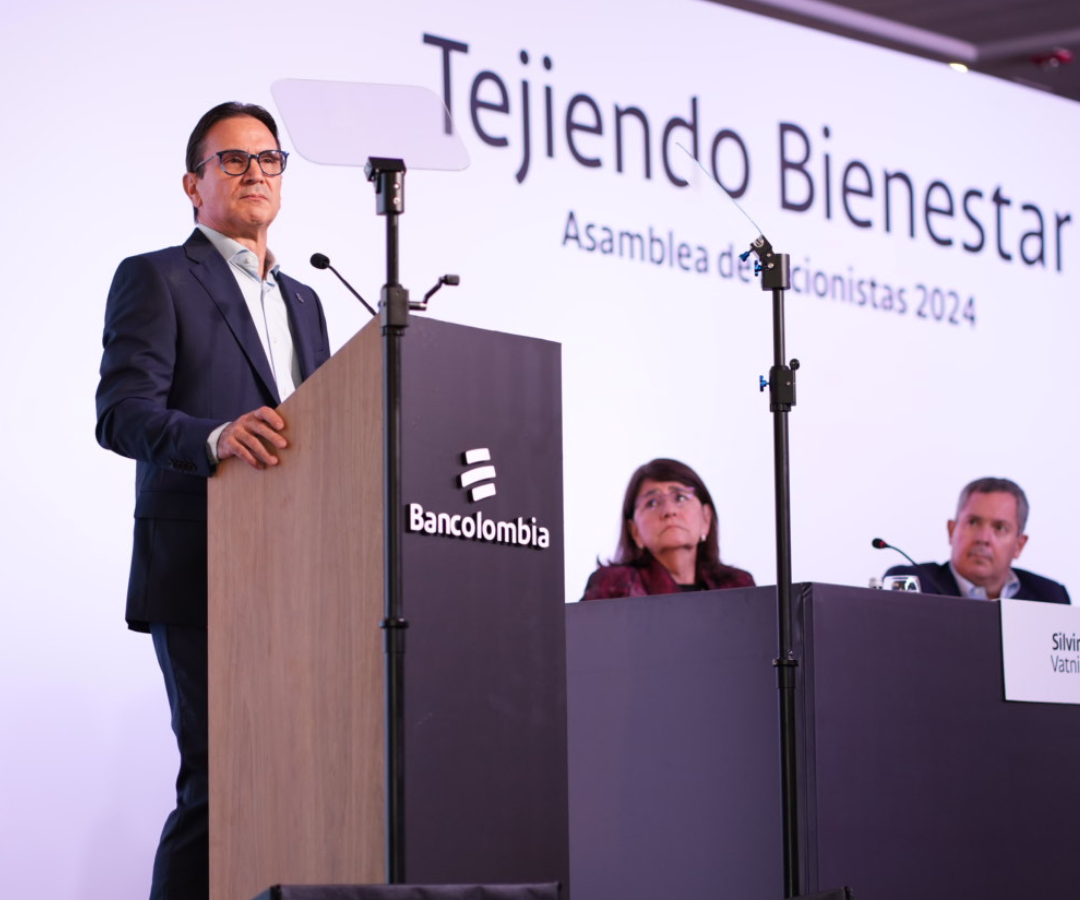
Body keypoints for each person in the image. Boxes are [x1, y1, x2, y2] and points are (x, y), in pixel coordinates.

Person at [95, 101, 331, 900]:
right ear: (193, 184)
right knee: (221, 780)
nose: (255, 173)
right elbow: (121, 413)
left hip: (301, 572)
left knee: (298, 783)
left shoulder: (307, 299)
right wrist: (216, 436)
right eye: (233, 160)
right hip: (202, 561)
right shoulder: (157, 276)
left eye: (269, 159)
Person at [581, 458, 754, 600]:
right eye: (653, 502)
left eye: (680, 497)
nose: (669, 511)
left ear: (706, 518)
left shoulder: (738, 586)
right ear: (634, 530)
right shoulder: (613, 587)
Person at [884, 477, 1070, 603]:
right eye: (973, 523)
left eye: (1000, 528)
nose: (983, 539)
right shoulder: (911, 584)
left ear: (1019, 545)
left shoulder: (1050, 597)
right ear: (951, 530)